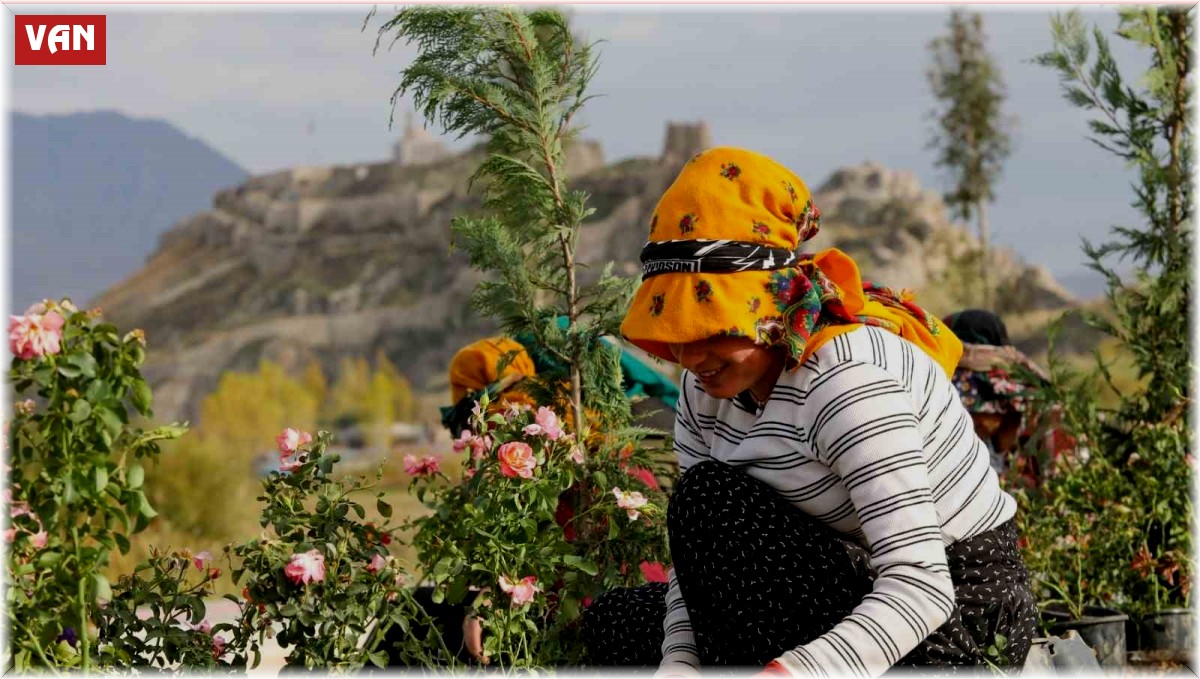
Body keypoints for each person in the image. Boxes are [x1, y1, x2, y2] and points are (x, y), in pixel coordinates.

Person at [582, 147, 1037, 676]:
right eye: (677, 333)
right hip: (832, 576)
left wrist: (794, 670)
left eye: (711, 330)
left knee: (710, 500)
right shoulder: (704, 391)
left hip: (955, 615)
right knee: (616, 622)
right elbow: (697, 567)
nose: (690, 356)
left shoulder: (845, 381)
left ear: (772, 305)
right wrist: (679, 663)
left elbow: (920, 584)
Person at [943, 309, 1056, 482]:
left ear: (1000, 401)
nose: (968, 419)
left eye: (973, 408)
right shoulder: (968, 443)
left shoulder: (1047, 426)